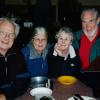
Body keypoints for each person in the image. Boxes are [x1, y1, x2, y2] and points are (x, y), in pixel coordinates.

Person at [0, 18, 30, 100]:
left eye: (11, 34)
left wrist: (5, 96)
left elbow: (24, 81)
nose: (7, 37)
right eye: (3, 33)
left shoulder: (17, 54)